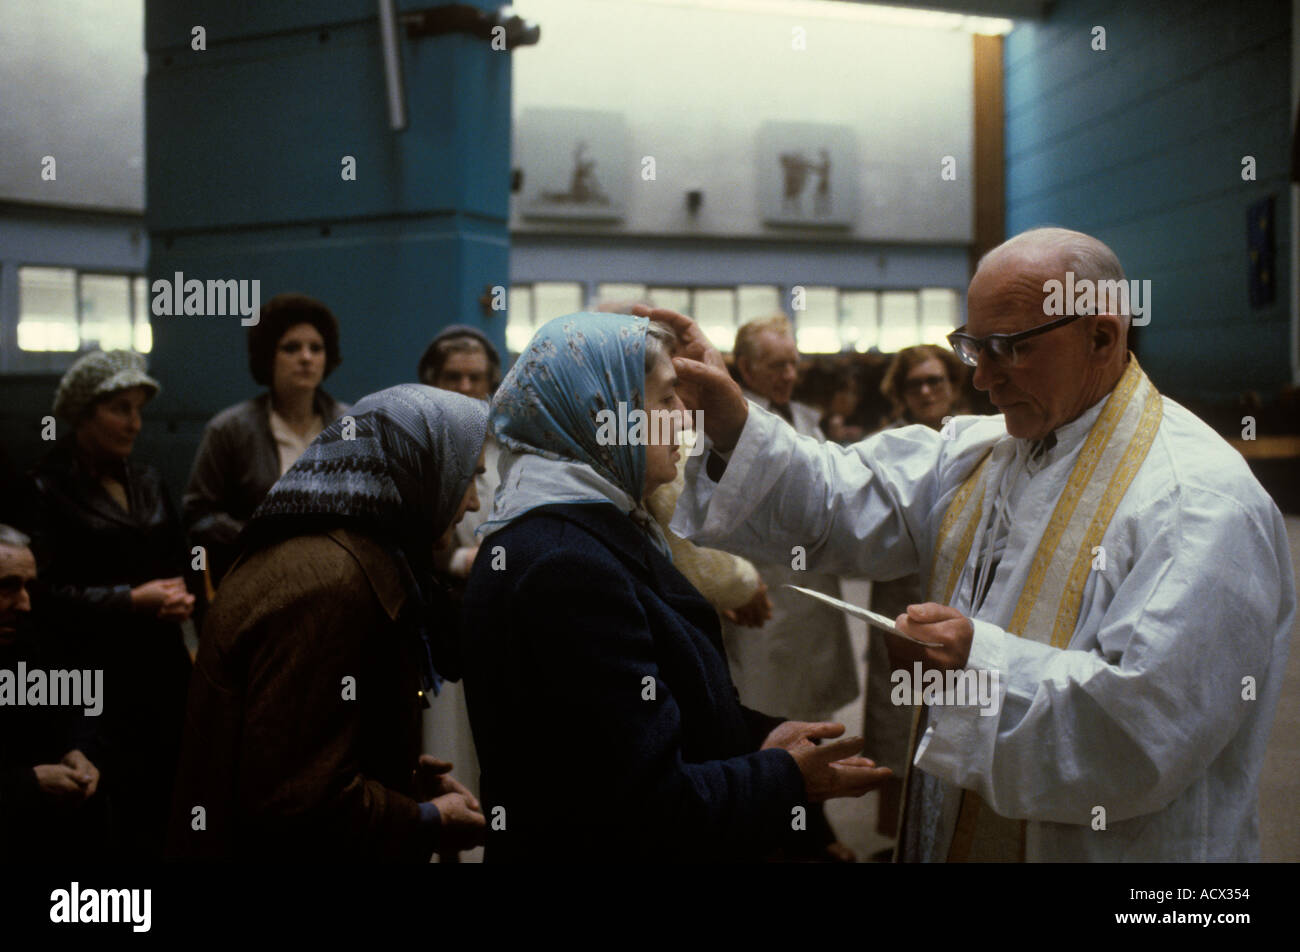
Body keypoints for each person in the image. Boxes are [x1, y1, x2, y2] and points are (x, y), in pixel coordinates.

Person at [655, 226, 1296, 862]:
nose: (983, 378)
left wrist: (976, 665)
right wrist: (731, 417)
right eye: (972, 346)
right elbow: (835, 494)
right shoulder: (987, 452)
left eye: (1007, 348)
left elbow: (1145, 731)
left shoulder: (1198, 503)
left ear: (1102, 333)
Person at [460, 312, 890, 862]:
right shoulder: (565, 567)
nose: (686, 415)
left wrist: (759, 737)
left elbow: (661, 712)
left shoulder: (594, 527)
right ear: (607, 415)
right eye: (665, 399)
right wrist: (782, 775)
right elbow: (644, 806)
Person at [168, 385, 488, 861]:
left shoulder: (337, 554)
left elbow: (295, 745)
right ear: (417, 470)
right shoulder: (330, 584)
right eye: (468, 477)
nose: (475, 502)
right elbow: (295, 799)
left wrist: (394, 773)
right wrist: (427, 819)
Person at [27, 350, 194, 860]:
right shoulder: (46, 489)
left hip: (163, 672)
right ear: (83, 413)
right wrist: (128, 600)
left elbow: (181, 559)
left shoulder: (149, 480)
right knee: (108, 815)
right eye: (120, 408)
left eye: (139, 408)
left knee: (169, 805)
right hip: (95, 681)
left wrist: (180, 597)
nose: (135, 422)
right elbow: (40, 595)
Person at [729, 314, 859, 861]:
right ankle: (794, 830)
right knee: (769, 713)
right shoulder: (725, 423)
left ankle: (814, 821)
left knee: (814, 706)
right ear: (745, 367)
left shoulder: (807, 418)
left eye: (793, 362)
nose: (788, 374)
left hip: (813, 590)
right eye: (775, 364)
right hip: (763, 592)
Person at [862, 345, 968, 851]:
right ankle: (901, 835)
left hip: (965, 603)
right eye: (914, 384)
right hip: (899, 598)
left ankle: (948, 836)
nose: (926, 391)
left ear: (953, 383)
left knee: (963, 711)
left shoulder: (985, 441)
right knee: (897, 716)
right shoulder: (888, 448)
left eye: (935, 380)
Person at [184, 293, 348, 587]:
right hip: (256, 585)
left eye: (316, 348)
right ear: (268, 356)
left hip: (336, 584)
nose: (306, 357)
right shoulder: (229, 430)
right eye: (291, 348)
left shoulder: (350, 425)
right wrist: (259, 536)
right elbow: (198, 515)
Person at [0, 525, 107, 858]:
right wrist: (27, 783)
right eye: (7, 587)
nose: (25, 604)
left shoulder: (29, 642)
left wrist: (79, 751)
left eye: (28, 587)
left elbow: (81, 702)